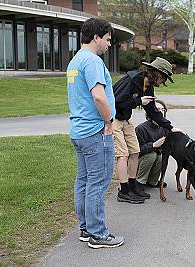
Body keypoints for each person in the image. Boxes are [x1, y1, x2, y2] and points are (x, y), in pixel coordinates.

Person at [67, 18, 123, 249]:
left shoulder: (75, 61)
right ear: (96, 37)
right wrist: (109, 121)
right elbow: (98, 96)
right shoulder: (91, 61)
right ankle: (98, 234)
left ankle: (85, 228)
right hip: (95, 132)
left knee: (84, 180)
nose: (109, 44)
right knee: (98, 183)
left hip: (79, 132)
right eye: (108, 39)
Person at [113, 57, 181, 204]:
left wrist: (170, 127)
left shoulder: (148, 87)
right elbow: (114, 101)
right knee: (123, 155)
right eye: (163, 77)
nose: (163, 81)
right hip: (114, 119)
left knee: (135, 152)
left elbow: (153, 112)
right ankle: (123, 191)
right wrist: (138, 101)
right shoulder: (132, 80)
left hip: (126, 119)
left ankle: (132, 186)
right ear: (156, 73)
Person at [135, 99, 170, 192]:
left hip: (153, 158)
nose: (161, 112)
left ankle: (152, 181)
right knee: (152, 155)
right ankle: (139, 182)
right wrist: (153, 145)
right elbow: (136, 152)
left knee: (160, 156)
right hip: (137, 162)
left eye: (163, 110)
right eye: (157, 109)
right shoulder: (140, 128)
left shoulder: (165, 127)